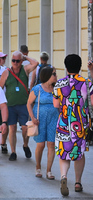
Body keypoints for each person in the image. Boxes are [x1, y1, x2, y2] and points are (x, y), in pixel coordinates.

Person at [53, 54, 93, 196]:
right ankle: (77, 182)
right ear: (80, 66)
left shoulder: (59, 83)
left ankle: (64, 177)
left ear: (66, 66)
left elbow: (56, 104)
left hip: (64, 123)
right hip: (81, 125)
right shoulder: (87, 83)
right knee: (79, 153)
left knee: (64, 153)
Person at [0, 51, 38, 161]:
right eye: (13, 60)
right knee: (12, 128)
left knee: (25, 128)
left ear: (21, 61)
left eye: (17, 61)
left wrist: (25, 56)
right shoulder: (6, 72)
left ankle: (25, 145)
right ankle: (13, 151)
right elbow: (0, 88)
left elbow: (36, 63)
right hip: (10, 105)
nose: (15, 63)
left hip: (23, 105)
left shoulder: (25, 70)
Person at [26, 66, 58, 179]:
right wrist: (33, 118)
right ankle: (38, 167)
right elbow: (29, 103)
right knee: (40, 144)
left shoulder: (57, 89)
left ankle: (49, 170)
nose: (56, 76)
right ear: (48, 76)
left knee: (51, 144)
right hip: (39, 120)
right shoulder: (37, 89)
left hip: (53, 119)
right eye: (54, 74)